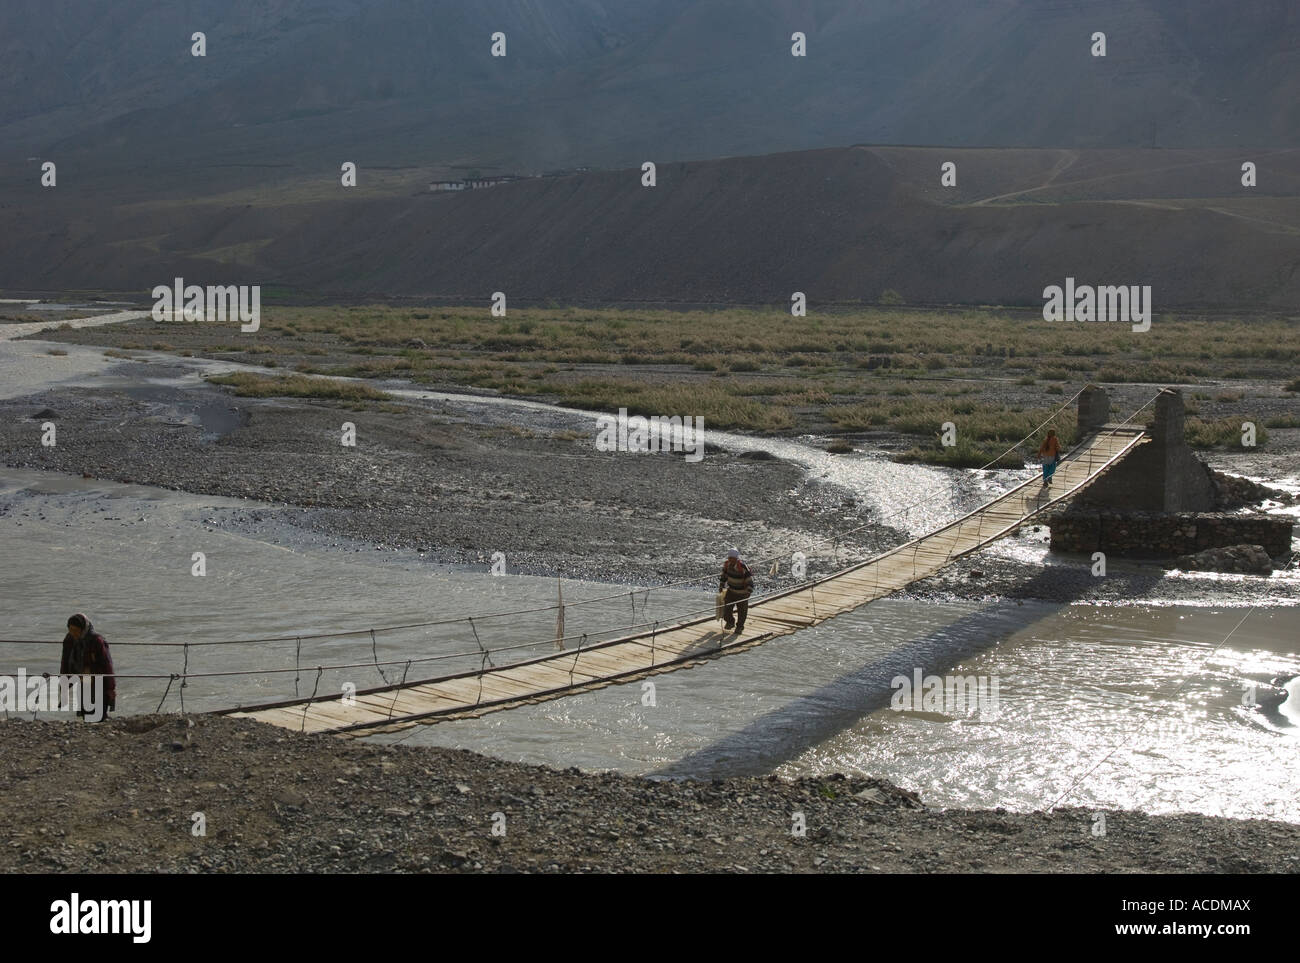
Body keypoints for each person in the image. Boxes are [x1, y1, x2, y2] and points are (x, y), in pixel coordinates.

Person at [59, 613, 116, 720]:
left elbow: (107, 664)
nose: (73, 634)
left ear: (83, 628)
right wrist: (64, 685)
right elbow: (65, 662)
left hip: (99, 681)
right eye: (71, 630)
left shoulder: (97, 641)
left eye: (76, 630)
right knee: (86, 712)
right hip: (81, 680)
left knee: (98, 712)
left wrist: (111, 688)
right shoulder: (69, 640)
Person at [718, 549, 754, 634]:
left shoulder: (742, 567)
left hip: (742, 593)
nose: (730, 560)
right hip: (731, 591)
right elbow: (724, 576)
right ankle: (730, 622)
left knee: (742, 611)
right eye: (729, 558)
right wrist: (721, 585)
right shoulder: (727, 565)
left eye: (732, 558)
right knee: (726, 608)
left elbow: (749, 580)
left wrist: (748, 591)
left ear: (736, 558)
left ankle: (739, 627)